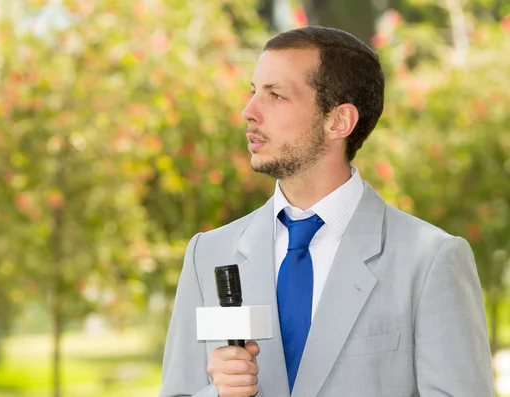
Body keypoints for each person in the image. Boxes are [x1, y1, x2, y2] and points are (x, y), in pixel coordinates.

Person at [159, 26, 494, 397]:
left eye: (276, 95)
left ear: (338, 122)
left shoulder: (431, 259)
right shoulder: (208, 253)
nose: (248, 112)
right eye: (254, 92)